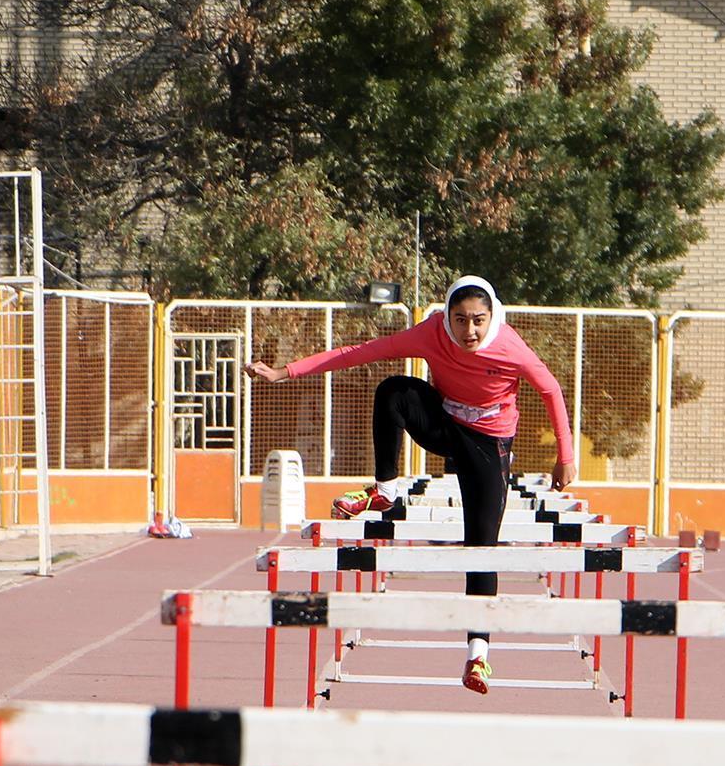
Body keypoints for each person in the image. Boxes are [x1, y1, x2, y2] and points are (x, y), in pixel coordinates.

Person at [244, 275, 577, 694]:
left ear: (492, 317)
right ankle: (385, 489)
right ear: (446, 318)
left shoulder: (510, 346)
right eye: (460, 320)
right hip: (443, 424)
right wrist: (283, 372)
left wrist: (565, 456)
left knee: (480, 546)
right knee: (392, 391)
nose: (469, 331)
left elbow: (551, 390)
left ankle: (478, 655)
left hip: (489, 445)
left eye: (478, 321)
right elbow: (360, 353)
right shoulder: (431, 333)